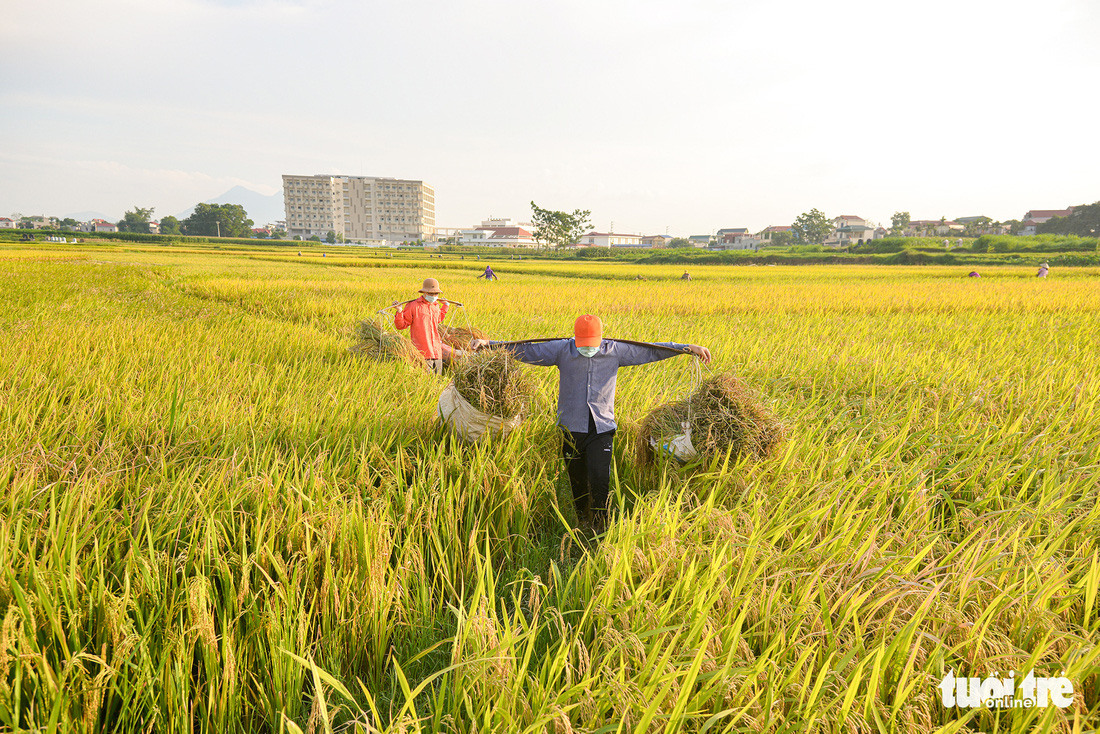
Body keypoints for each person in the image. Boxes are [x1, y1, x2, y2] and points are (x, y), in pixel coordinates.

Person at [472, 315, 711, 534]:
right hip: (570, 427)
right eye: (583, 344)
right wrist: (490, 344)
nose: (587, 349)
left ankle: (600, 524)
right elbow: (528, 349)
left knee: (599, 479)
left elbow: (650, 350)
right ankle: (582, 521)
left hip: (602, 428)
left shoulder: (615, 351)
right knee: (576, 478)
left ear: (600, 339)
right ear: (575, 338)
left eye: (591, 344)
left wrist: (687, 348)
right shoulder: (561, 350)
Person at [394, 278, 454, 374]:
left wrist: (446, 305)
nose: (434, 296)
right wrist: (399, 311)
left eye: (436, 294)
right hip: (422, 353)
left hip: (437, 353)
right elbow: (401, 325)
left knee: (437, 382)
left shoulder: (436, 305)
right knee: (424, 382)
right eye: (431, 294)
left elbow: (438, 319)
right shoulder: (413, 306)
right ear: (424, 292)